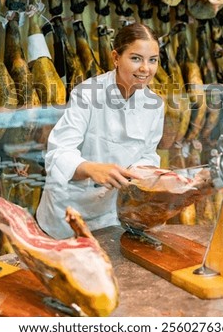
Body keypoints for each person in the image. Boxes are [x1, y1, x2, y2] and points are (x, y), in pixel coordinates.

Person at [36, 23, 165, 238]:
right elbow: (57, 154)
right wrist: (89, 167)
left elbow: (148, 153)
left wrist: (144, 174)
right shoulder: (87, 94)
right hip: (67, 215)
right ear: (116, 57)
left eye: (152, 60)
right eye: (136, 58)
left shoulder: (155, 105)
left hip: (109, 214)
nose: (145, 68)